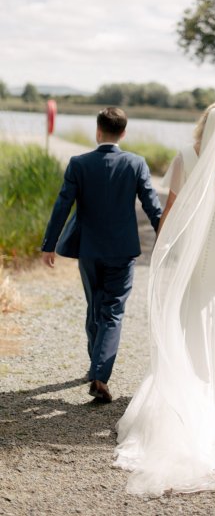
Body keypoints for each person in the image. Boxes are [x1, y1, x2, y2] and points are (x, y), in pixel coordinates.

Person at [113, 101, 215, 495]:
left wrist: (163, 250)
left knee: (190, 308)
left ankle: (185, 386)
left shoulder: (185, 156)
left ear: (204, 124)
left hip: (195, 247)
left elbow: (171, 209)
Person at [41, 107, 162, 403]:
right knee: (113, 311)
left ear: (98, 132)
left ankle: (95, 367)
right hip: (122, 250)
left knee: (95, 305)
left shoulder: (79, 163)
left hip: (89, 249)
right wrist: (167, 237)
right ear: (123, 133)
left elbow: (62, 206)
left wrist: (49, 244)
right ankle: (99, 374)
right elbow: (152, 206)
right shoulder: (136, 163)